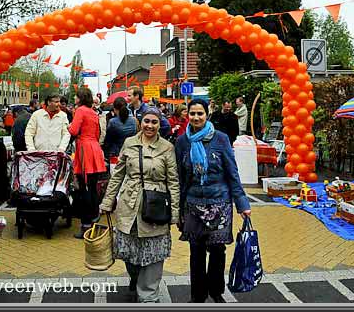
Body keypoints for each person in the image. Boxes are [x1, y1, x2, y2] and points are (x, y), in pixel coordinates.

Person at [99, 107, 180, 303]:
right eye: (146, 121)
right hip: (129, 203)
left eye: (154, 122)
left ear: (159, 124)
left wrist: (175, 213)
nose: (149, 125)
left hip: (156, 205)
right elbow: (118, 174)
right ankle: (135, 279)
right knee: (129, 250)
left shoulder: (167, 147)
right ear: (140, 122)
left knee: (153, 252)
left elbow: (173, 182)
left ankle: (148, 295)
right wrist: (107, 201)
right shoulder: (129, 143)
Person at [175, 99, 251, 303]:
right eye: (192, 114)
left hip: (220, 204)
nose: (196, 117)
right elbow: (181, 178)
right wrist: (179, 211)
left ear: (207, 114)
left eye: (200, 113)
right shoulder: (182, 142)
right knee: (196, 252)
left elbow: (232, 173)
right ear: (187, 115)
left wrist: (242, 203)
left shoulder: (221, 139)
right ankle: (197, 295)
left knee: (217, 251)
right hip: (193, 204)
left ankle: (216, 291)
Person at [68, 88, 107, 239]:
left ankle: (86, 224)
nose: (75, 98)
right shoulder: (93, 112)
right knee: (92, 188)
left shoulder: (80, 110)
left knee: (84, 189)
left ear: (80, 98)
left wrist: (68, 127)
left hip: (84, 150)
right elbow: (98, 133)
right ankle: (94, 217)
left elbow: (74, 130)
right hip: (95, 149)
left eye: (76, 96)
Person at [103, 97, 138, 162]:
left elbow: (108, 141)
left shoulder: (112, 122)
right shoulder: (134, 120)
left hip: (116, 154)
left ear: (115, 109)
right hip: (132, 153)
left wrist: (105, 153)